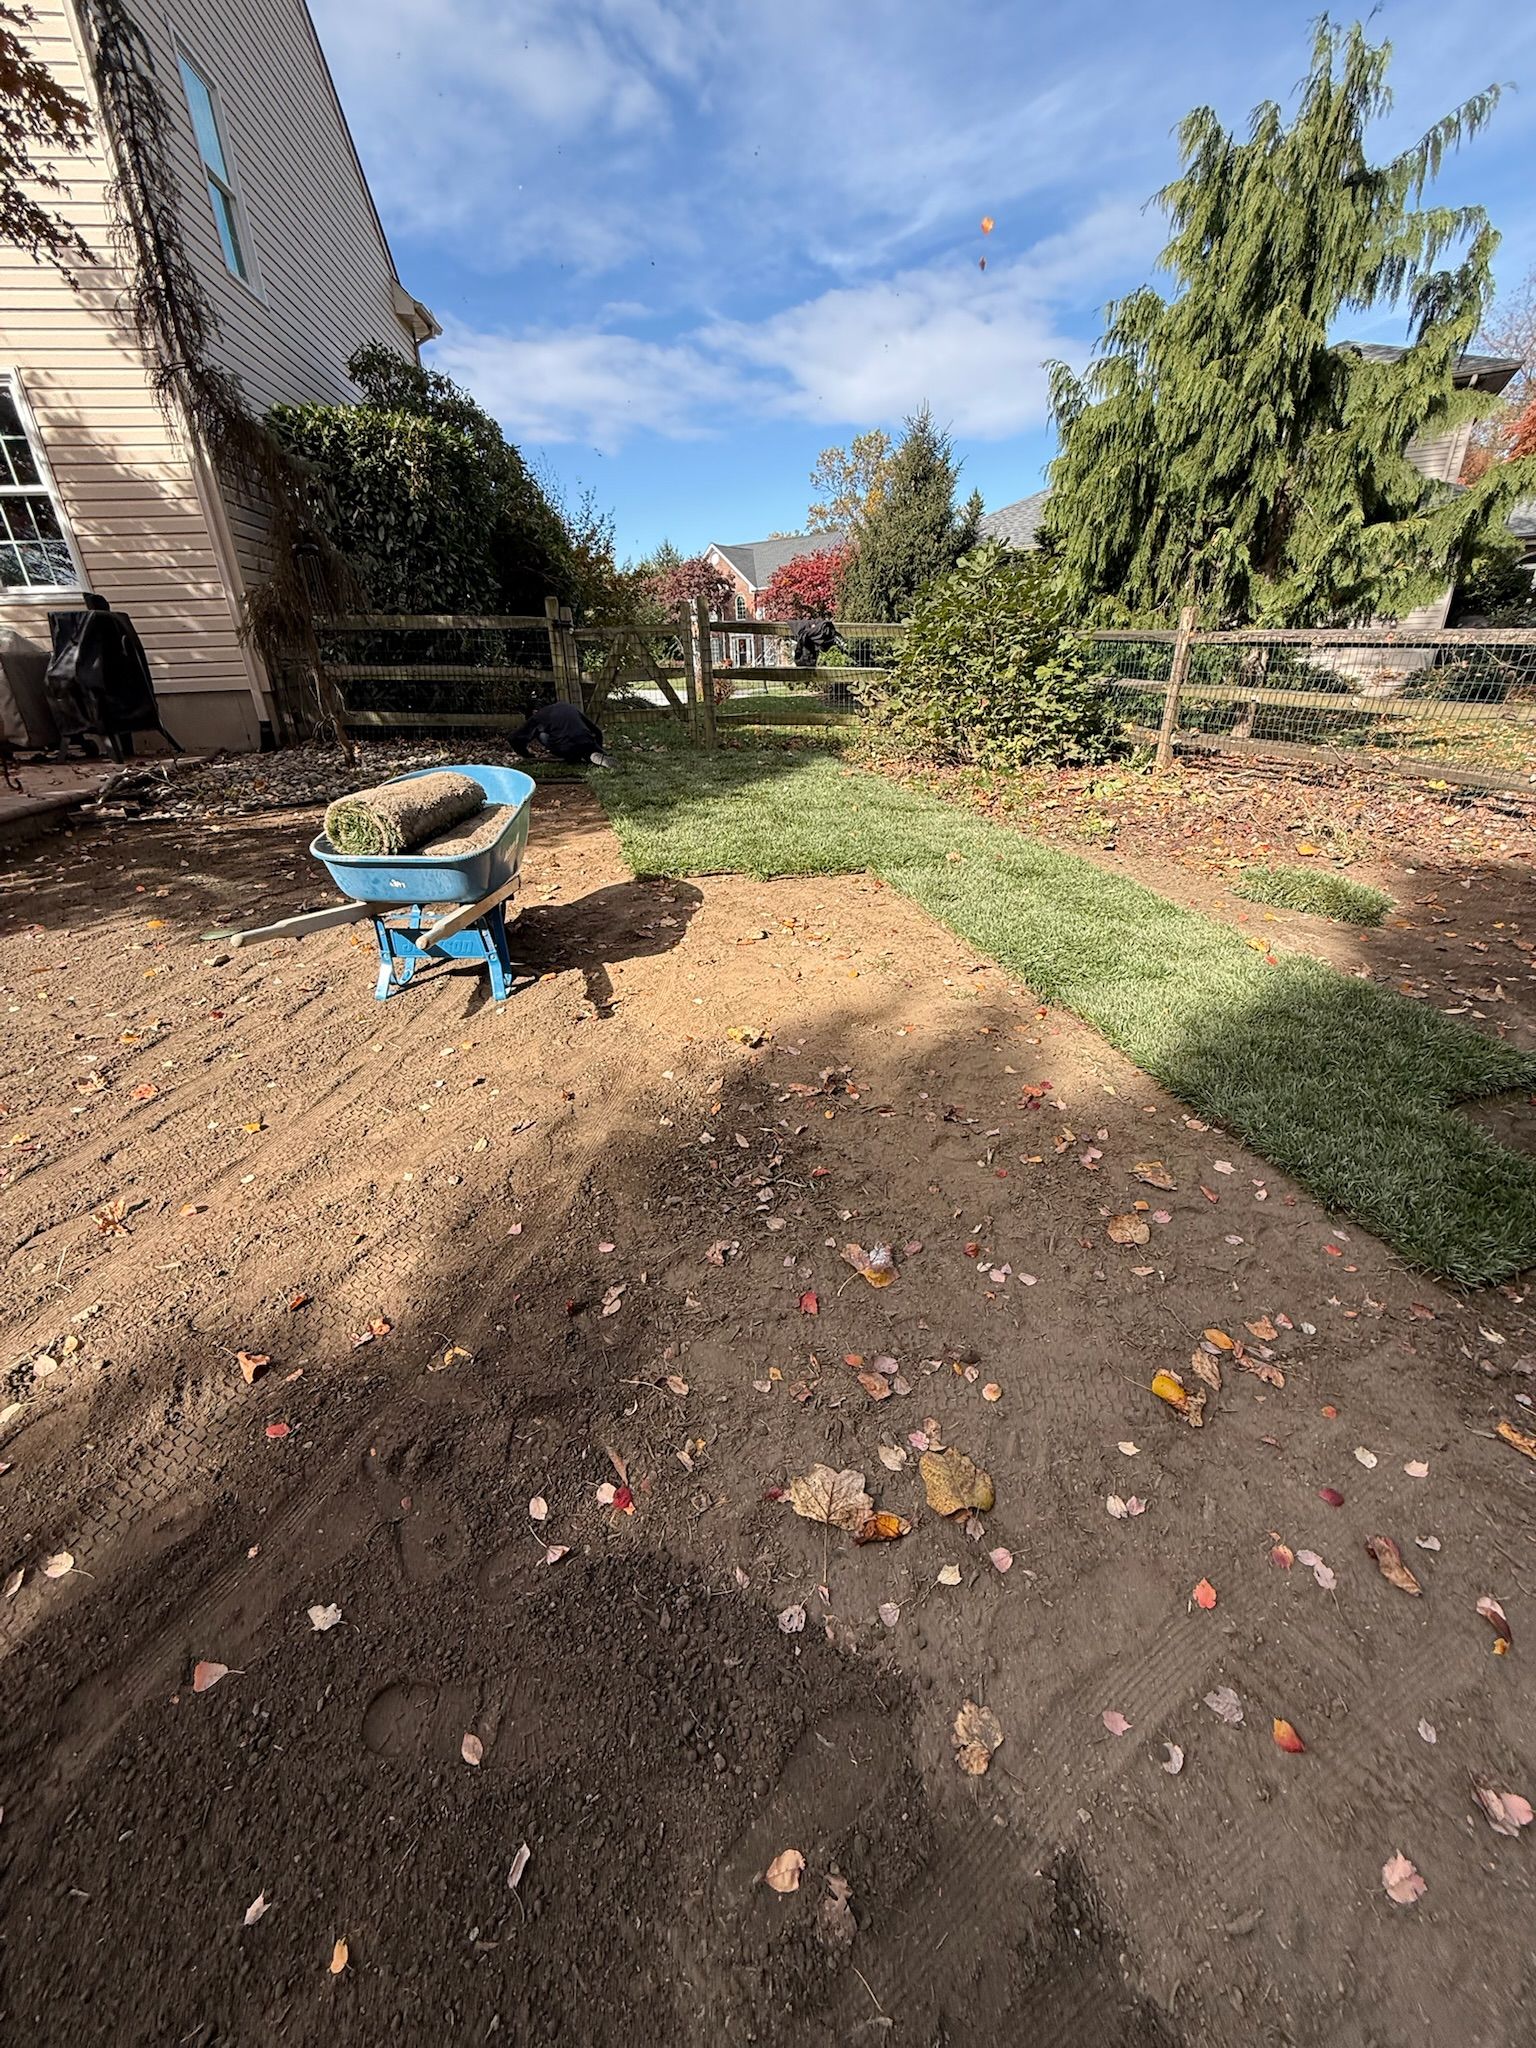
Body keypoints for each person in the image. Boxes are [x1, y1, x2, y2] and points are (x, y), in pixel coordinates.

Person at [43, 592, 181, 761]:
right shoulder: (113, 624)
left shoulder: (102, 631)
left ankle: (115, 749)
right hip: (114, 699)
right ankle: (117, 748)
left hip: (105, 699)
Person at [509, 700, 610, 766]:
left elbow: (513, 738)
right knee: (582, 743)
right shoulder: (567, 706)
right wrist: (599, 748)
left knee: (541, 733)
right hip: (587, 741)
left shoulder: (538, 716)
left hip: (566, 746)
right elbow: (597, 731)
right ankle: (592, 755)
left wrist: (527, 755)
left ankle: (574, 756)